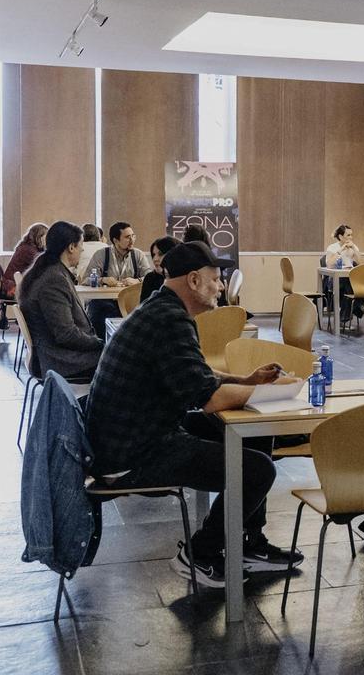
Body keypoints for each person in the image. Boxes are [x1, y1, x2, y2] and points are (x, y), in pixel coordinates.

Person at [86, 241, 300, 587]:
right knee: (257, 470)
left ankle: (248, 542)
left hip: (131, 436)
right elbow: (211, 399)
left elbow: (198, 376)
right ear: (194, 280)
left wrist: (246, 380)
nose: (221, 287)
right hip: (133, 456)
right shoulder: (170, 320)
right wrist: (271, 391)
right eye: (216, 279)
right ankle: (200, 554)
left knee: (256, 434)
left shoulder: (161, 310)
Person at [17, 221, 103, 380]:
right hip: (62, 361)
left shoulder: (48, 271)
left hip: (58, 356)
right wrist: (100, 343)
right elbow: (66, 334)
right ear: (71, 247)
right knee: (125, 362)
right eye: (80, 245)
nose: (82, 249)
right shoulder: (54, 279)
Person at [81, 222, 152, 337]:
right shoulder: (102, 255)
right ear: (115, 240)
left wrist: (137, 281)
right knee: (100, 315)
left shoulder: (138, 255)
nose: (132, 240)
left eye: (133, 236)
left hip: (130, 302)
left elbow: (150, 277)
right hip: (105, 301)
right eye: (127, 237)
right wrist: (102, 280)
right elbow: (85, 279)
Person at [2, 222, 48, 296]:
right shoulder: (28, 250)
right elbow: (44, 265)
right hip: (13, 287)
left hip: (12, 284)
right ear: (39, 237)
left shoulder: (26, 247)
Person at [139, 236, 179, 303]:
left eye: (160, 254)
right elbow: (144, 308)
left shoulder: (182, 278)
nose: (155, 259)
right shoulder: (150, 278)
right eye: (154, 255)